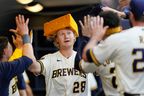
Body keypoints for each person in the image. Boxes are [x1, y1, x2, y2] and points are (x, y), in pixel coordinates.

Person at [79, 0, 144, 95]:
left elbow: (84, 61)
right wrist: (124, 14)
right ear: (120, 27)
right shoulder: (123, 37)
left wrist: (92, 37)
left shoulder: (118, 40)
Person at [23, 13, 88, 96]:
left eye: (69, 33)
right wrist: (26, 40)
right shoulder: (49, 59)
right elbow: (33, 67)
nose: (66, 36)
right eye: (62, 34)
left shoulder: (84, 57)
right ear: (56, 39)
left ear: (75, 36)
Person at [76, 11, 123, 96]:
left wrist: (89, 39)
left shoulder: (99, 52)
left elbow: (81, 66)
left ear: (101, 28)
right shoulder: (131, 41)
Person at [0, 14, 36, 96]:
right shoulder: (6, 68)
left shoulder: (9, 64)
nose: (12, 47)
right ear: (5, 51)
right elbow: (28, 59)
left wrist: (20, 47)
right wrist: (25, 35)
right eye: (10, 45)